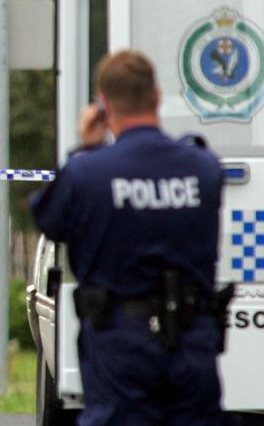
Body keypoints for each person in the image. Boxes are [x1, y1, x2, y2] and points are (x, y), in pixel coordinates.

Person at [31, 50, 229, 425]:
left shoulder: (88, 172)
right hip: (191, 340)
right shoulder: (203, 167)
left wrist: (86, 147)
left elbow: (49, 219)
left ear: (102, 105)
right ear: (156, 96)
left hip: (120, 344)